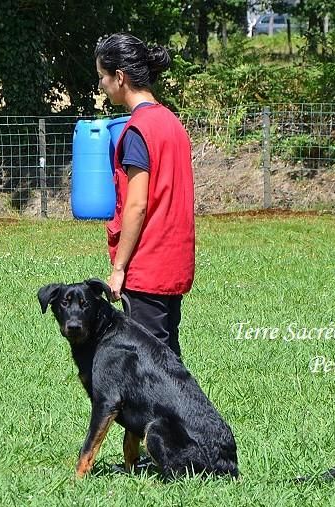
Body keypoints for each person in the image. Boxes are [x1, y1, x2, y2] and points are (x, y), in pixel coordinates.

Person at [94, 33, 195, 359]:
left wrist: (119, 268)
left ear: (119, 77)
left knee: (153, 371)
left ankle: (186, 413)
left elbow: (137, 205)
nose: (101, 86)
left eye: (102, 77)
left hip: (147, 267)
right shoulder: (171, 122)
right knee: (168, 361)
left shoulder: (138, 130)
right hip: (173, 262)